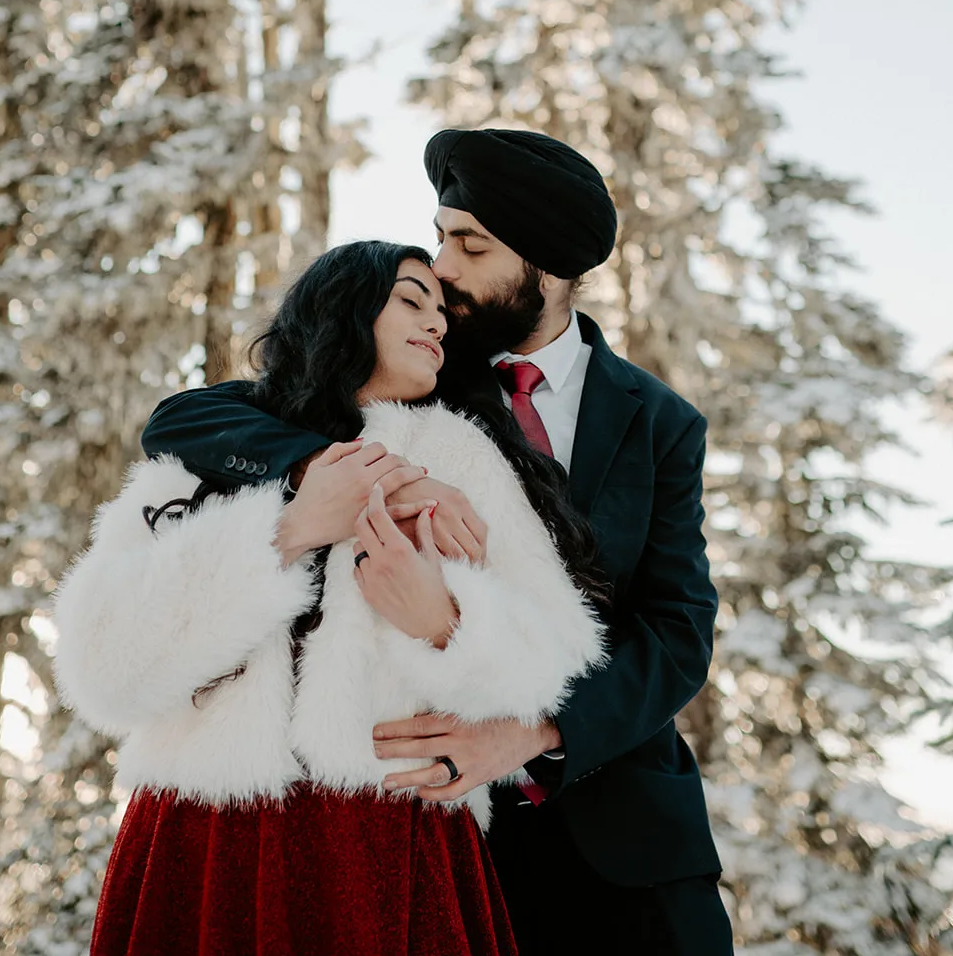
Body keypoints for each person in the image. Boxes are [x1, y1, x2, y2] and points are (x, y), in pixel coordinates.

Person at [142, 128, 735, 956]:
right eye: (441, 236)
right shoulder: (414, 363)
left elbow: (676, 632)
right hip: (446, 844)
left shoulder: (661, 423)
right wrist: (357, 471)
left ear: (549, 264)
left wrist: (531, 736)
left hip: (627, 840)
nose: (443, 266)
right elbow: (186, 419)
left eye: (470, 243)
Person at [55, 241, 606, 956]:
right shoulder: (209, 450)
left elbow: (557, 654)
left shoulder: (465, 459)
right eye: (412, 300)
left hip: (392, 839)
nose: (436, 324)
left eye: (442, 314)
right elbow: (102, 663)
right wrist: (286, 532)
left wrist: (445, 621)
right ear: (344, 309)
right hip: (205, 834)